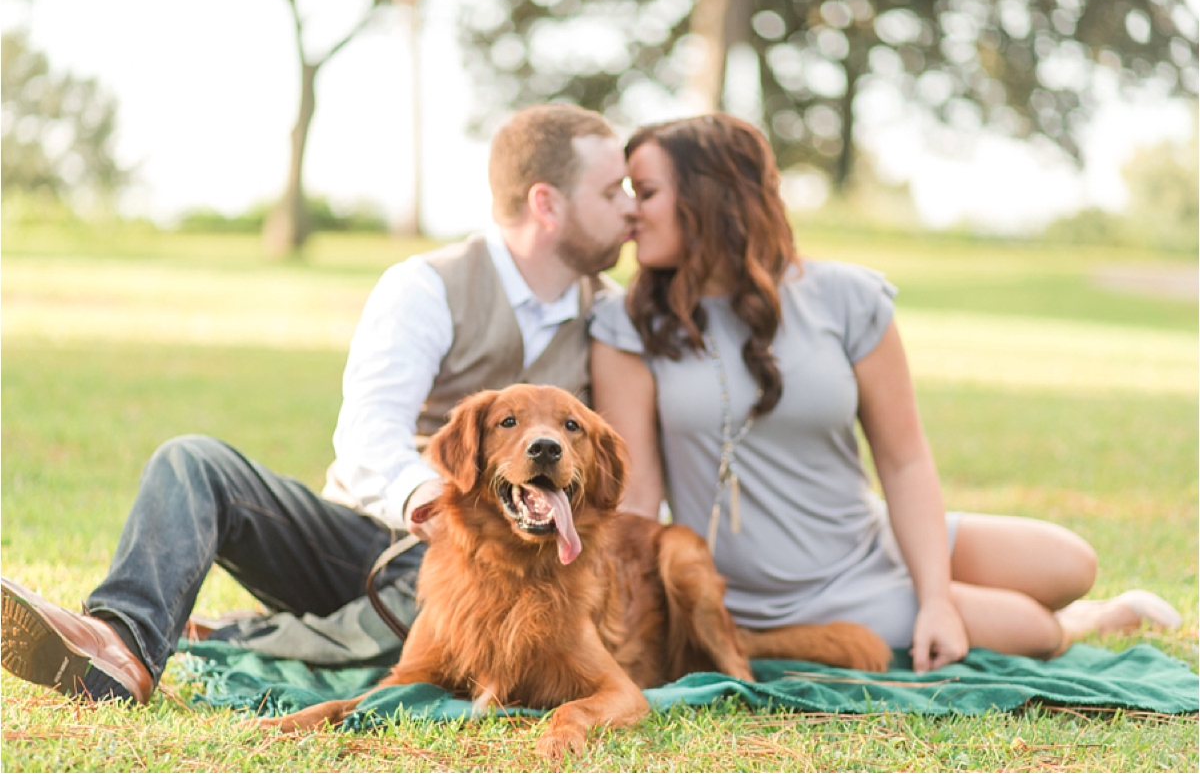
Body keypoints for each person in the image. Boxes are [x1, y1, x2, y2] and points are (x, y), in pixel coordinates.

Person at [1, 103, 636, 704]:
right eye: (612, 193)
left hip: (513, 569)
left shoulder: (609, 316)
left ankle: (240, 635)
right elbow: (366, 436)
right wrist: (429, 503)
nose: (628, 210)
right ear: (547, 203)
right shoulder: (428, 286)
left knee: (452, 628)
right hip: (371, 542)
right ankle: (120, 643)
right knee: (191, 460)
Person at [588, 113, 1181, 674]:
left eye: (645, 192)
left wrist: (935, 599)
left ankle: (1026, 599)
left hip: (867, 540)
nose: (629, 212)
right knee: (1033, 630)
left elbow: (904, 459)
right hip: (764, 599)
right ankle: (1088, 623)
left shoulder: (845, 296)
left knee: (1071, 561)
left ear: (709, 196)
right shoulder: (627, 325)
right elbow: (635, 498)